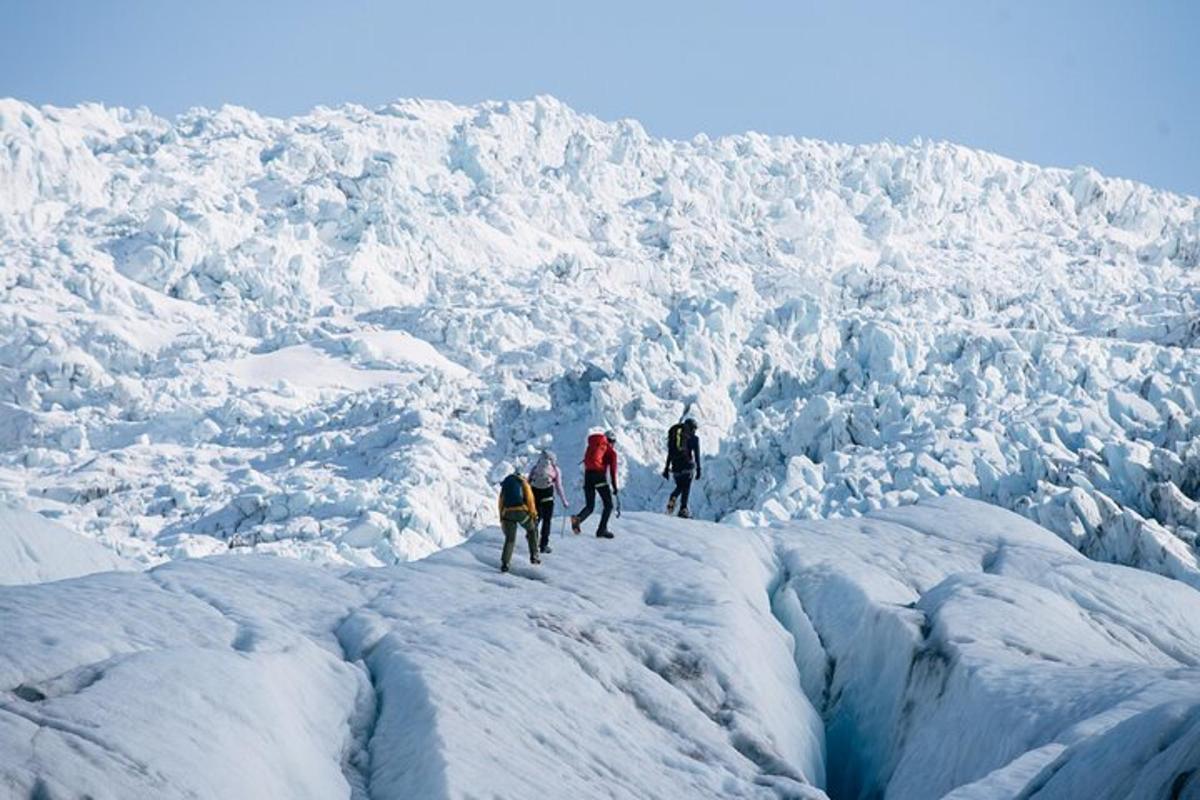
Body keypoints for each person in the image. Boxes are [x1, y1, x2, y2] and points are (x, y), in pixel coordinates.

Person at [571, 429, 618, 539]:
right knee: (608, 505)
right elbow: (613, 471)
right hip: (599, 476)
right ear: (612, 441)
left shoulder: (593, 446)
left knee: (590, 506)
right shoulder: (611, 452)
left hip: (588, 475)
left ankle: (578, 519)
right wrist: (615, 487)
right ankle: (602, 530)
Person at [497, 467, 541, 572]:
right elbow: (530, 500)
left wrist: (502, 517)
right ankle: (534, 556)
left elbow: (500, 503)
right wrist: (533, 514)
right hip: (521, 512)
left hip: (507, 513)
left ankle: (505, 563)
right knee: (531, 529)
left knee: (510, 539)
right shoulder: (523, 482)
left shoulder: (506, 485)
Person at [527, 449, 569, 554]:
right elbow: (559, 486)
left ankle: (531, 536)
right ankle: (543, 545)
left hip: (535, 494)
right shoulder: (555, 469)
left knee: (536, 517)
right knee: (547, 520)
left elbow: (528, 482)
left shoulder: (536, 468)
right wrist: (564, 501)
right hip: (548, 496)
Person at [662, 418, 701, 518]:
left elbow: (670, 453)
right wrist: (698, 469)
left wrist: (666, 468)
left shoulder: (676, 438)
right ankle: (683, 509)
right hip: (687, 465)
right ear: (692, 428)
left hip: (675, 467)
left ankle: (673, 498)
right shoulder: (694, 439)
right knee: (686, 486)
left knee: (680, 486)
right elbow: (697, 455)